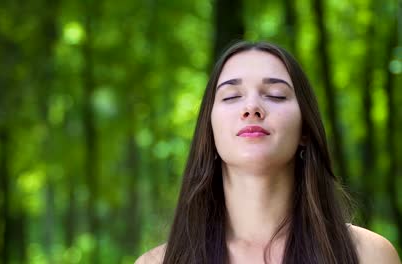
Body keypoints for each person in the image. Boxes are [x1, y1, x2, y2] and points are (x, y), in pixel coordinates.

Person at [136, 41, 401, 264]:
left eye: (275, 95)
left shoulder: (369, 255)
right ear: (209, 131)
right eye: (231, 96)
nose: (251, 107)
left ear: (305, 130)